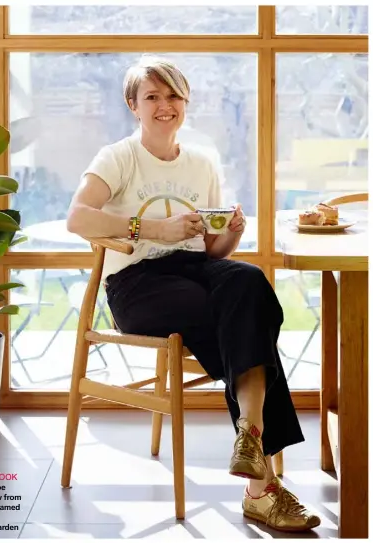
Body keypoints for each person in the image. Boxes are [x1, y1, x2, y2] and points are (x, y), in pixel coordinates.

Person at [66, 56, 321, 533]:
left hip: (196, 271)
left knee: (247, 282)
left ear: (186, 103)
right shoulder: (117, 156)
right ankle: (260, 487)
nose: (165, 105)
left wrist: (234, 234)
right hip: (138, 283)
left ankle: (250, 436)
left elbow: (212, 248)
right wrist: (151, 227)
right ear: (133, 105)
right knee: (243, 318)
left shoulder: (202, 162)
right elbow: (78, 217)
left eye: (174, 96)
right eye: (153, 96)